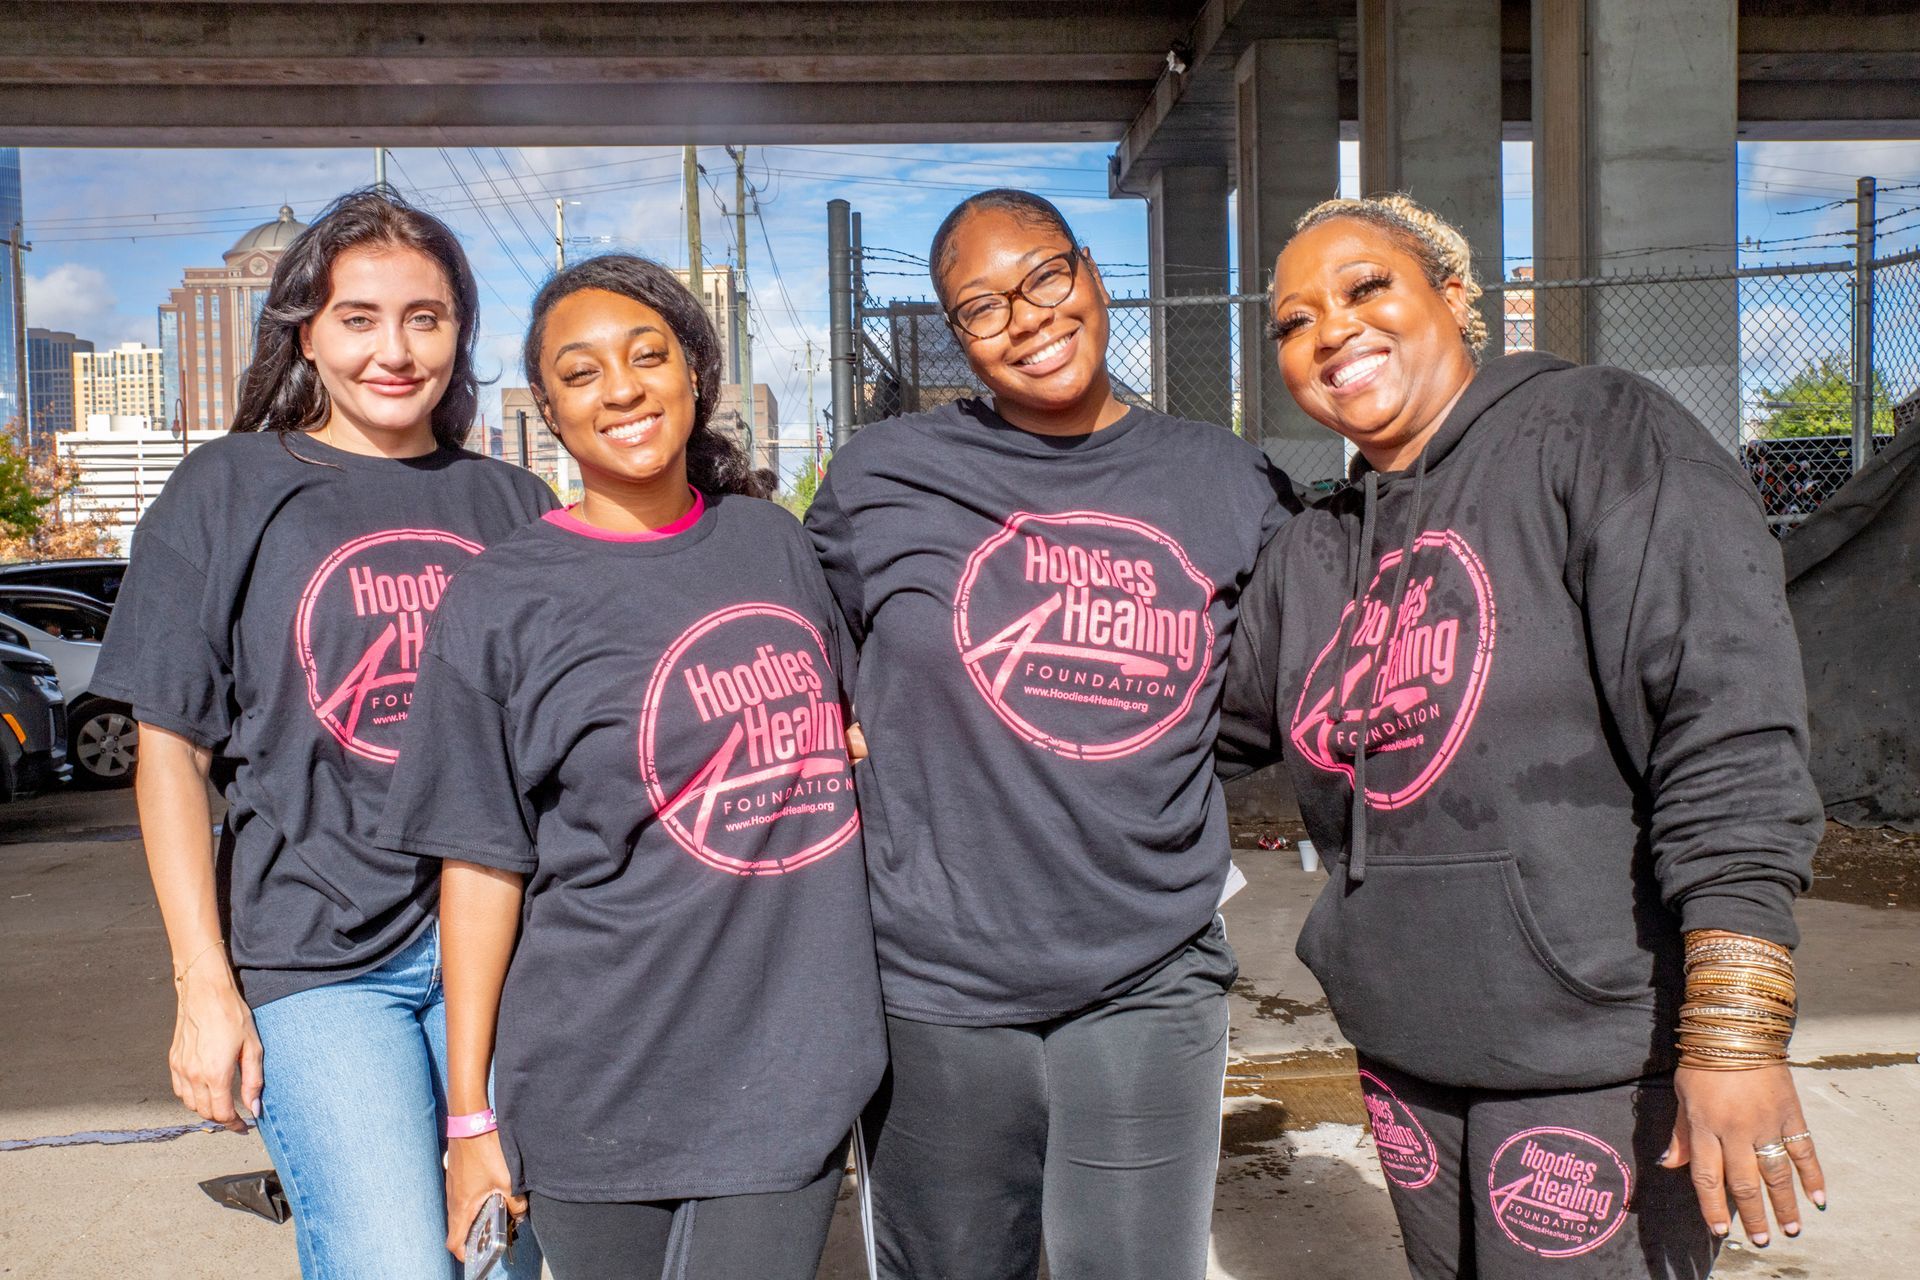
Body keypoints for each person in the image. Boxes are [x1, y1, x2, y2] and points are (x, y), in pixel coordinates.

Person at [1218, 193, 1826, 1278]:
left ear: (1455, 296)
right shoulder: (1314, 552)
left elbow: (1726, 721)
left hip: (1600, 1054)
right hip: (1406, 1046)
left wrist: (1736, 1031)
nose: (1330, 330)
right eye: (1294, 322)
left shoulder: (1599, 431)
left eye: (1366, 288)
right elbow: (1192, 729)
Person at [806, 188, 1299, 1280]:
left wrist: (1154, 751)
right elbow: (808, 642)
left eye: (1044, 276)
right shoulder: (883, 477)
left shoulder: (1225, 477)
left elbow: (1270, 689)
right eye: (982, 306)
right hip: (935, 981)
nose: (1027, 316)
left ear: (1090, 270)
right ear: (957, 334)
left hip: (1147, 965)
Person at [376, 254, 885, 1280]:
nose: (621, 389)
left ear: (695, 372)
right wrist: (469, 1116)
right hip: (594, 1083)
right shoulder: (502, 598)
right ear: (549, 413)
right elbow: (478, 867)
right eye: (581, 372)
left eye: (648, 356)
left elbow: (851, 729)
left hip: (790, 1064)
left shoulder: (773, 545)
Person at [92, 188, 555, 1278]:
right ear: (307, 333)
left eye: (425, 318)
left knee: (499, 1260)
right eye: (358, 318)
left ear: (460, 332)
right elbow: (170, 754)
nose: (394, 351)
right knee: (397, 1259)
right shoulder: (228, 486)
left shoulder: (517, 503)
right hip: (320, 957)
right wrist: (203, 984)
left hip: (505, 948)